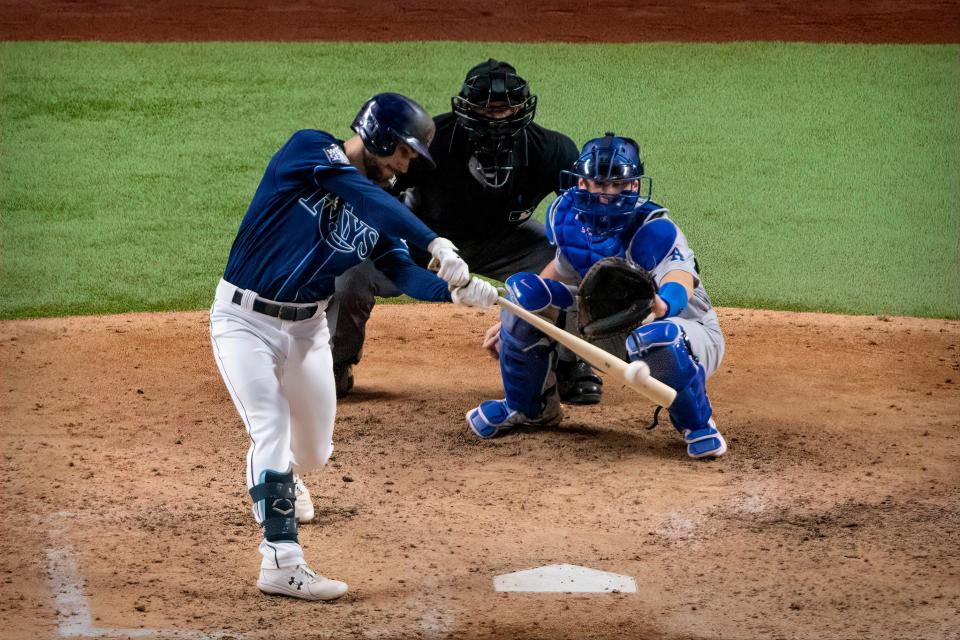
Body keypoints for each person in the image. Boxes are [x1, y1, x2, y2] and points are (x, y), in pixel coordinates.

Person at [209, 93, 497, 601]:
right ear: (380, 135)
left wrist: (453, 290)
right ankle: (281, 562)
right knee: (270, 426)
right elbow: (355, 191)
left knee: (314, 453)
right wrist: (435, 241)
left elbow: (401, 270)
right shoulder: (309, 149)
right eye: (403, 153)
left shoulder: (380, 203)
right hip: (243, 322)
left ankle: (285, 478)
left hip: (307, 330)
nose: (406, 166)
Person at [328, 59, 603, 405]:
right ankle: (336, 361)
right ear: (465, 109)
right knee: (352, 269)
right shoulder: (434, 142)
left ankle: (568, 362)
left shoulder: (552, 150)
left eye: (505, 109)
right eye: (486, 109)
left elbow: (585, 217)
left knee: (575, 266)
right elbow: (378, 198)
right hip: (424, 239)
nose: (496, 118)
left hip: (507, 239)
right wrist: (413, 243)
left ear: (522, 108)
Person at [467, 133, 728, 459]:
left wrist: (663, 304)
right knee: (524, 295)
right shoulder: (569, 218)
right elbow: (561, 269)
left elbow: (679, 279)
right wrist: (516, 320)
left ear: (632, 186)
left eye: (615, 185)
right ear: (581, 182)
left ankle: (697, 424)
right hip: (605, 328)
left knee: (657, 338)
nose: (604, 193)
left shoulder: (652, 229)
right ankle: (529, 408)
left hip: (687, 331)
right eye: (596, 183)